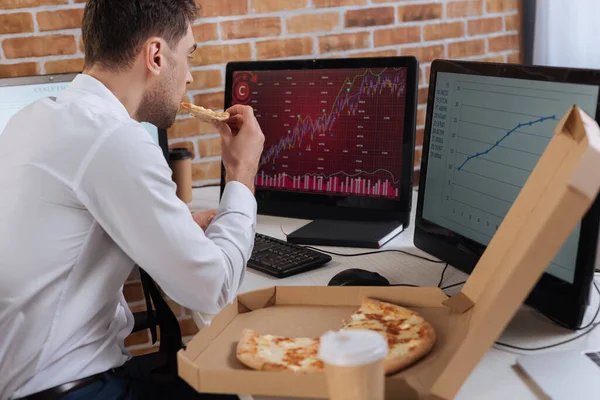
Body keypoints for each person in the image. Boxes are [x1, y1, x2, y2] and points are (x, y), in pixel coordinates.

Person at [0, 0, 264, 399]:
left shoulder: (35, 117)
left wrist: (174, 229)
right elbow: (214, 288)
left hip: (25, 379)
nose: (189, 77)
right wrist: (241, 174)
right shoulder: (115, 139)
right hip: (71, 388)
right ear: (156, 55)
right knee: (238, 382)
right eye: (188, 56)